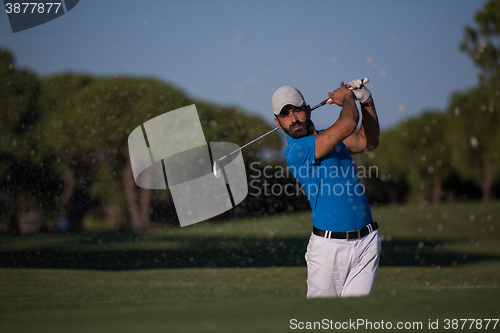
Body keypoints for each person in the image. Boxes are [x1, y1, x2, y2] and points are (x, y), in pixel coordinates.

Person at [272, 80, 380, 298]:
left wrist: (366, 100)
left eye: (297, 111)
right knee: (322, 320)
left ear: (308, 110)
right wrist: (347, 98)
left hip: (367, 242)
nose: (293, 119)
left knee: (355, 321)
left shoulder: (331, 136)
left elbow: (369, 142)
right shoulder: (296, 151)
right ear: (277, 122)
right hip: (329, 250)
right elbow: (348, 122)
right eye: (285, 115)